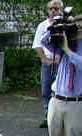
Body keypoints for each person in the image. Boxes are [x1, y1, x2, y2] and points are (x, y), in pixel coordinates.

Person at [31, 0, 66, 128]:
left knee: (61, 91)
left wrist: (61, 59)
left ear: (61, 10)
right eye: (51, 8)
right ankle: (47, 117)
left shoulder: (66, 24)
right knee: (46, 91)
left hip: (63, 63)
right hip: (47, 63)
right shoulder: (43, 26)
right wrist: (45, 59)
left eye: (56, 8)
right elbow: (37, 45)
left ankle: (61, 118)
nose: (53, 11)